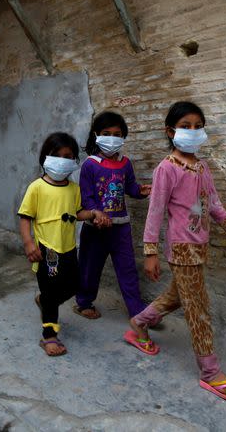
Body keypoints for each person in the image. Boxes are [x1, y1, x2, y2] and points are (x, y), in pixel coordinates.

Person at [124, 101, 226, 401]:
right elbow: (155, 211)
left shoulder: (202, 167)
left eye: (198, 126)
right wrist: (150, 252)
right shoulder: (166, 169)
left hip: (200, 246)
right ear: (170, 131)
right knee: (198, 307)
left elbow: (215, 204)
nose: (193, 131)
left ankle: (140, 322)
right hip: (182, 248)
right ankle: (210, 371)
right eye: (185, 126)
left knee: (177, 296)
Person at [17, 132, 108, 356]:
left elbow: (77, 213)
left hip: (68, 249)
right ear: (45, 158)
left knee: (74, 286)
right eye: (56, 155)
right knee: (50, 291)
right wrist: (28, 242)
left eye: (68, 156)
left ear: (75, 160)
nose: (62, 160)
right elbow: (25, 217)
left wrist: (94, 213)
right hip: (46, 250)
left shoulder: (73, 189)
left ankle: (45, 301)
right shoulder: (36, 187)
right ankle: (49, 336)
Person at [75, 111, 152, 320]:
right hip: (95, 229)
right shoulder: (90, 165)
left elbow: (130, 187)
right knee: (90, 268)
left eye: (117, 134)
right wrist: (95, 214)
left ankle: (138, 312)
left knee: (127, 270)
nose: (112, 137)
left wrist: (140, 192)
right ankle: (83, 302)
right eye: (106, 133)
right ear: (96, 135)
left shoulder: (125, 163)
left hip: (121, 228)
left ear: (123, 136)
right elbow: (87, 197)